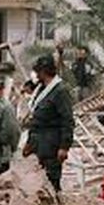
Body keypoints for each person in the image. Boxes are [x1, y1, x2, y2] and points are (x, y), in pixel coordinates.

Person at [22, 54, 74, 191]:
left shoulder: (60, 91)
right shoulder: (40, 89)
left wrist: (64, 146)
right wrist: (29, 143)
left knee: (51, 181)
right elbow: (36, 118)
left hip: (51, 142)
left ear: (44, 72)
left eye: (38, 71)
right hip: (37, 141)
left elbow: (67, 120)